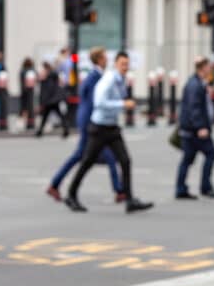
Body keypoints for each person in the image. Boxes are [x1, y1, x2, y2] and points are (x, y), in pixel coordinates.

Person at [65, 51, 152, 213]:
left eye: (127, 64)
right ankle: (71, 194)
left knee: (125, 161)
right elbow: (99, 102)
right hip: (99, 128)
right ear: (116, 64)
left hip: (111, 127)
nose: (125, 67)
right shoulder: (109, 79)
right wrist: (122, 104)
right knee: (87, 162)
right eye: (122, 64)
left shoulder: (120, 80)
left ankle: (129, 199)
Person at [46, 47, 124, 202]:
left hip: (90, 122)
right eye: (104, 57)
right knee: (99, 156)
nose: (107, 60)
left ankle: (55, 185)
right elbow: (92, 103)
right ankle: (119, 190)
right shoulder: (95, 77)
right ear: (99, 60)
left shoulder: (95, 76)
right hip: (91, 123)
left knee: (95, 156)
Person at [175, 56, 214, 199]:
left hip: (190, 129)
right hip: (195, 130)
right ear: (203, 68)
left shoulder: (197, 83)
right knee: (211, 154)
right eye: (208, 67)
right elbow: (194, 108)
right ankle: (205, 187)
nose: (210, 69)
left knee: (188, 159)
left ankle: (181, 189)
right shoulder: (194, 85)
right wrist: (201, 127)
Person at [36, 61, 68, 137]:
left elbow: (46, 92)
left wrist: (43, 101)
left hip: (50, 101)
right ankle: (66, 129)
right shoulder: (53, 76)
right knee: (56, 115)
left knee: (46, 116)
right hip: (54, 100)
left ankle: (40, 131)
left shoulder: (47, 79)